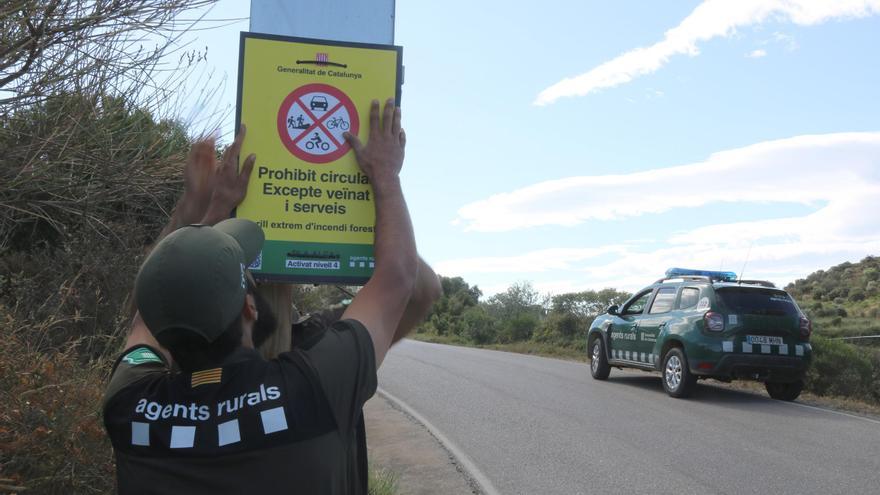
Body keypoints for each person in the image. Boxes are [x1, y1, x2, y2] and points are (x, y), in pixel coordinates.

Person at [102, 99, 441, 494]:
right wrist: (384, 177)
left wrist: (201, 210)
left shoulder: (130, 407)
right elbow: (404, 279)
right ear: (248, 306)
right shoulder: (314, 386)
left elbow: (150, 307)